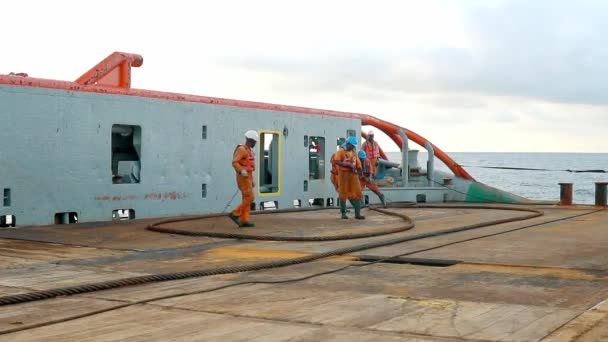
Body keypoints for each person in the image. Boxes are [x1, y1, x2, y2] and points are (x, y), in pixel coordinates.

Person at [228, 130, 258, 228]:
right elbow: (234, 162)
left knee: (246, 198)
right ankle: (235, 213)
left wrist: (252, 180)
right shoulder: (241, 150)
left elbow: (249, 167)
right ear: (251, 140)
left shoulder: (249, 151)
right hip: (242, 177)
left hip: (248, 177)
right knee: (250, 197)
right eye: (255, 141)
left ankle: (244, 220)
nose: (255, 143)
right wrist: (241, 170)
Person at [335, 136, 365, 219]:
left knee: (358, 193)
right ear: (347, 144)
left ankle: (357, 214)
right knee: (343, 193)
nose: (353, 147)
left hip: (353, 176)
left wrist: (360, 172)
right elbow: (337, 161)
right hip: (343, 175)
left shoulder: (354, 153)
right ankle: (343, 214)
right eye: (352, 145)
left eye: (353, 146)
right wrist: (348, 165)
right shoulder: (341, 151)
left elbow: (358, 164)